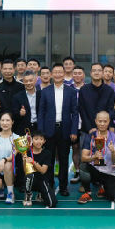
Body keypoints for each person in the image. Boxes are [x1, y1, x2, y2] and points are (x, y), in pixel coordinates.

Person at [38, 63, 79, 196]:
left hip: (65, 130)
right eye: (55, 72)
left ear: (64, 74)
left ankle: (63, 187)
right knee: (49, 160)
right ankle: (49, 184)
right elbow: (41, 112)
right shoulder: (45, 91)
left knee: (63, 159)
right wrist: (40, 133)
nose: (58, 74)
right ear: (51, 74)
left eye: (60, 72)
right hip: (48, 131)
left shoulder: (71, 91)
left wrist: (74, 131)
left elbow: (75, 113)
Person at [78, 111, 115, 204]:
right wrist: (93, 157)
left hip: (109, 172)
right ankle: (88, 192)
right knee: (83, 166)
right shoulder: (90, 136)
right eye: (100, 121)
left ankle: (103, 187)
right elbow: (83, 158)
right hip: (95, 169)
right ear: (96, 121)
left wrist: (113, 151)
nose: (102, 124)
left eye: (105, 121)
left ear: (109, 121)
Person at [17, 130, 58, 208]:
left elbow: (43, 171)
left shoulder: (47, 153)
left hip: (42, 180)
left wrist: (33, 162)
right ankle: (28, 195)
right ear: (32, 140)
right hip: (30, 180)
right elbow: (25, 171)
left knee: (52, 203)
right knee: (29, 176)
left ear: (44, 141)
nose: (39, 141)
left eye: (41, 139)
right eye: (36, 139)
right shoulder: (27, 152)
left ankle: (41, 193)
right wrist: (24, 160)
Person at [0, 59, 23, 127]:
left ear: (14, 70)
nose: (7, 71)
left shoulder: (21, 86)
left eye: (10, 69)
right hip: (1, 123)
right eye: (5, 69)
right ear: (1, 70)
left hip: (18, 123)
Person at [12, 70, 40, 136]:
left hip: (39, 128)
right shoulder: (17, 97)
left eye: (30, 80)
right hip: (23, 129)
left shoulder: (41, 94)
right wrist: (20, 113)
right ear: (23, 82)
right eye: (26, 81)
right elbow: (13, 114)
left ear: (35, 80)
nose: (28, 83)